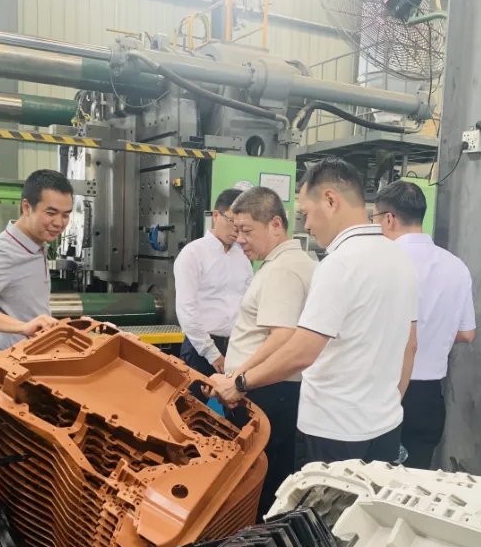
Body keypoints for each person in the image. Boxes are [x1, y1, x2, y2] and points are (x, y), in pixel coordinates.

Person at [213, 157, 420, 469]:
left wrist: (239, 383)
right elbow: (410, 344)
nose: (307, 226)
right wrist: (389, 406)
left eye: (306, 214)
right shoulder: (400, 259)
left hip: (332, 432)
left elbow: (302, 352)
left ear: (330, 200)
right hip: (385, 426)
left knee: (318, 503)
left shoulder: (339, 263)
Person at [213, 186, 317, 516]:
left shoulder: (282, 269)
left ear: (275, 224)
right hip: (273, 390)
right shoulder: (293, 262)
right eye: (237, 230)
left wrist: (239, 379)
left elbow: (282, 336)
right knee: (273, 480)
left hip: (267, 393)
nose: (240, 239)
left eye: (247, 231)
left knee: (261, 486)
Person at [373, 181, 476, 469]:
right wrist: (435, 332)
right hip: (429, 399)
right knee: (413, 484)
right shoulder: (456, 266)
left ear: (388, 219)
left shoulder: (381, 262)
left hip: (384, 392)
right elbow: (467, 333)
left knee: (371, 483)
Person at [0, 169, 73, 359]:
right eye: (51, 213)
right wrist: (23, 327)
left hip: (33, 363)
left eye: (66, 215)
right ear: (26, 207)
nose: (59, 223)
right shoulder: (3, 251)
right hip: (9, 368)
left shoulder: (37, 246)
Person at [173, 189, 253, 377]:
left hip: (236, 347)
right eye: (232, 221)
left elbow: (248, 303)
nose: (236, 230)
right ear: (216, 216)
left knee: (235, 397)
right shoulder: (193, 254)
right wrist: (212, 353)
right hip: (199, 349)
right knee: (193, 396)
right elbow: (186, 310)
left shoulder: (243, 257)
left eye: (242, 226)